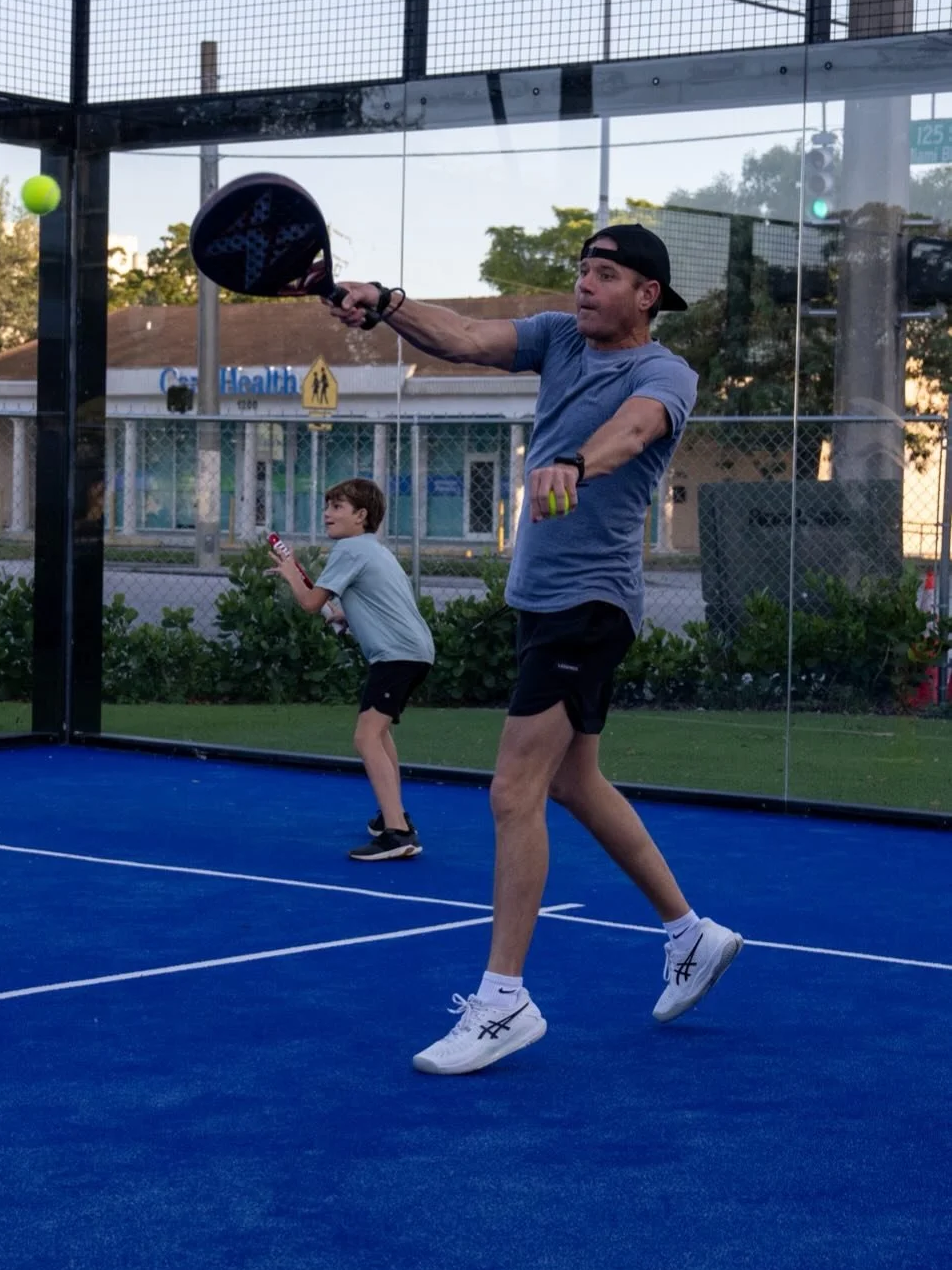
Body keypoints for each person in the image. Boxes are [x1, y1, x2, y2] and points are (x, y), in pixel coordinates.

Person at [318, 227, 743, 1071]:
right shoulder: (557, 338)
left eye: (605, 274)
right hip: (543, 603)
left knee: (513, 791)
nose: (584, 285)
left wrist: (574, 464)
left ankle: (504, 1000)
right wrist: (388, 302)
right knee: (574, 782)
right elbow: (464, 337)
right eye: (582, 270)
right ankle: (691, 934)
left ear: (646, 295)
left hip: (590, 604)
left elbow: (634, 430)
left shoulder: (664, 372)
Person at [270, 477, 435, 861]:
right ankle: (392, 815)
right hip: (412, 652)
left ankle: (398, 832)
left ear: (361, 516)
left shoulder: (349, 549)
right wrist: (345, 616)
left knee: (366, 737)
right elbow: (382, 601)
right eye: (327, 506)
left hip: (396, 655)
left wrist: (292, 574)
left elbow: (311, 603)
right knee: (379, 734)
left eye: (337, 507)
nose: (327, 513)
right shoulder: (373, 549)